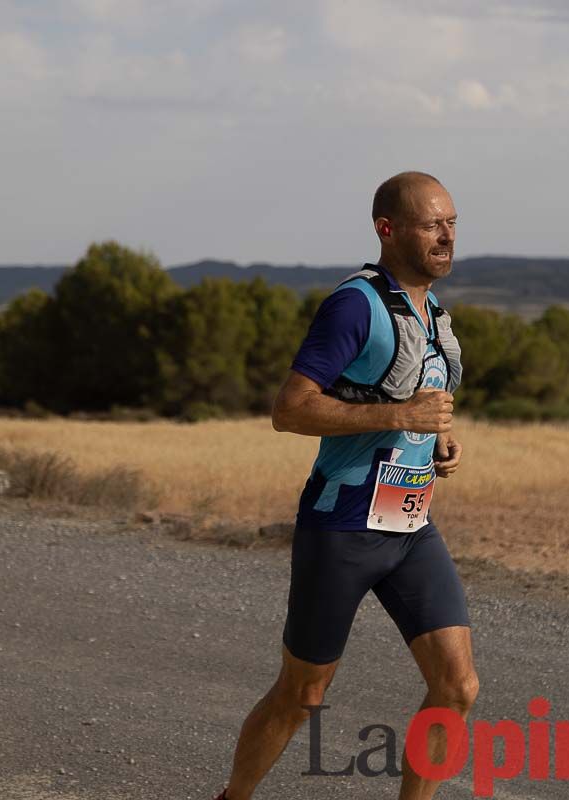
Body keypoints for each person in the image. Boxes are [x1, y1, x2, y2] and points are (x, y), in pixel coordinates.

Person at [213, 172, 477, 800]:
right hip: (343, 528)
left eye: (452, 222)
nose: (446, 236)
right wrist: (399, 417)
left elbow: (417, 398)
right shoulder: (355, 304)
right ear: (388, 230)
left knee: (457, 686)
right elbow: (291, 409)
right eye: (430, 224)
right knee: (302, 694)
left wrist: (434, 439)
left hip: (410, 527)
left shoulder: (432, 310)